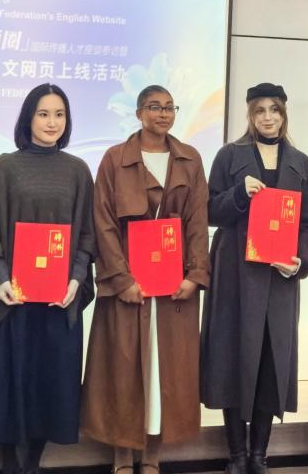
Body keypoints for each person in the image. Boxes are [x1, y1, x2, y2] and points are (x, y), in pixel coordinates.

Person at [81, 85, 211, 474]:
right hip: (128, 285)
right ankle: (122, 456)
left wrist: (195, 275)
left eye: (170, 107)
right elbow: (103, 222)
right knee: (122, 370)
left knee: (164, 372)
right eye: (154, 107)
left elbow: (198, 222)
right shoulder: (114, 159)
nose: (163, 114)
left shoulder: (190, 159)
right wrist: (121, 279)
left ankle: (152, 456)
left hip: (174, 288)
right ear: (139, 113)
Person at [0, 83, 97, 474]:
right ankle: (10, 462)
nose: (52, 122)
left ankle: (34, 462)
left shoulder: (78, 171)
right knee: (9, 378)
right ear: (28, 118)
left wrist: (76, 279)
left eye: (59, 114)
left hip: (59, 297)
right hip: (14, 297)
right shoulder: (4, 167)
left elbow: (87, 234)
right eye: (43, 114)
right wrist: (1, 278)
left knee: (51, 379)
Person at [200, 82, 308, 474]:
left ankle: (259, 455)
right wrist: (239, 194)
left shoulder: (301, 163)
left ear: (284, 114)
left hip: (279, 279)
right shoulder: (229, 155)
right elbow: (208, 211)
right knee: (233, 357)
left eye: (275, 110)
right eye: (260, 110)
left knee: (271, 360)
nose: (268, 117)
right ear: (250, 115)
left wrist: (299, 261)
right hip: (235, 276)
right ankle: (236, 455)